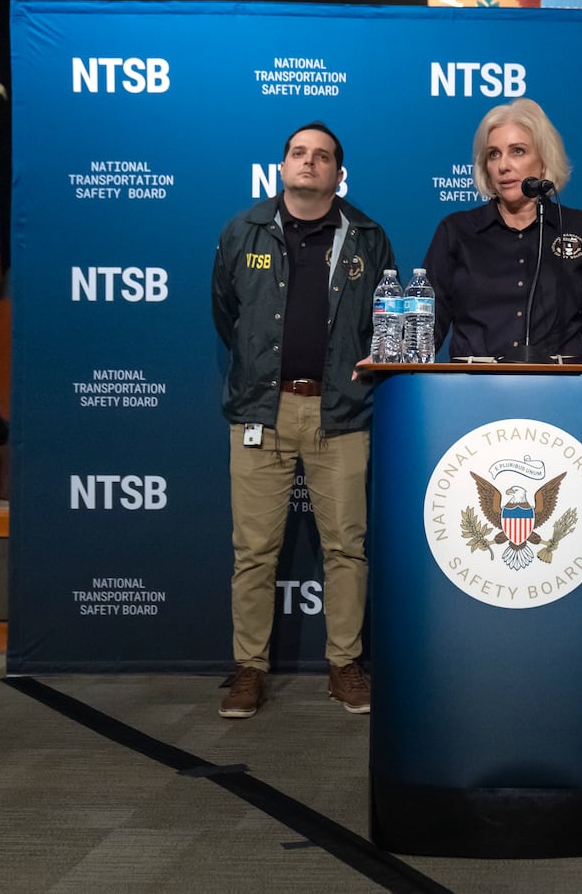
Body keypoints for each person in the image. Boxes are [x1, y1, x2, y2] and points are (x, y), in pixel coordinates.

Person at [210, 121, 395, 718]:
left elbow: (384, 324)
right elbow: (227, 314)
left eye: (322, 157)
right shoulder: (243, 231)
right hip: (262, 410)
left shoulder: (368, 236)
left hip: (339, 412)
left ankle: (344, 665)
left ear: (339, 173)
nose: (308, 163)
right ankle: (249, 670)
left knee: (347, 548)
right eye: (298, 153)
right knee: (254, 550)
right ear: (281, 165)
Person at [421, 98, 582, 365]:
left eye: (518, 151)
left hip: (561, 389)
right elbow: (427, 321)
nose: (503, 166)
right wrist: (396, 356)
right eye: (494, 154)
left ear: (544, 159)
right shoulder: (456, 231)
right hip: (473, 388)